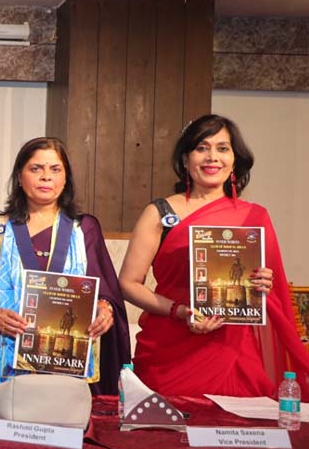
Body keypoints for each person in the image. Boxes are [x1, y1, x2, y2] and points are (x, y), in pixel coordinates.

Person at [119, 114, 309, 397]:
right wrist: (180, 311)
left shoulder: (254, 217)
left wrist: (263, 285)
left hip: (233, 352)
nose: (212, 157)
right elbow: (128, 283)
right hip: (169, 350)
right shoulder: (160, 213)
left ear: (234, 159)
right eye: (201, 148)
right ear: (186, 159)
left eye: (222, 148)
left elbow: (271, 297)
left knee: (237, 423)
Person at [0, 137, 130, 394]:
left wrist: (104, 311)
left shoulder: (84, 229)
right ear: (19, 176)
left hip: (70, 364)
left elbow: (105, 295)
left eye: (55, 169)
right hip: (10, 360)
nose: (46, 177)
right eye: (36, 168)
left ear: (65, 178)